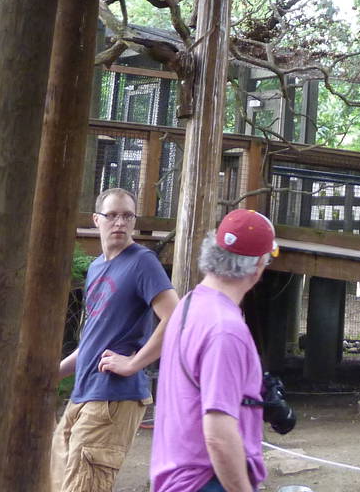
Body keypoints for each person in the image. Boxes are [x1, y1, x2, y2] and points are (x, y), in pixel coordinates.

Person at [54, 188, 179, 492]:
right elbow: (93, 342)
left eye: (127, 216)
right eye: (112, 215)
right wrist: (53, 373)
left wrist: (134, 363)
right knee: (57, 480)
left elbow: (176, 317)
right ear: (96, 220)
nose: (120, 222)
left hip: (114, 396)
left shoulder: (142, 262)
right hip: (83, 392)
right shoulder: (97, 267)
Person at [150, 209, 279, 492]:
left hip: (175, 477)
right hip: (205, 481)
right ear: (259, 265)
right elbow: (218, 435)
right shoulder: (225, 329)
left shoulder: (188, 305)